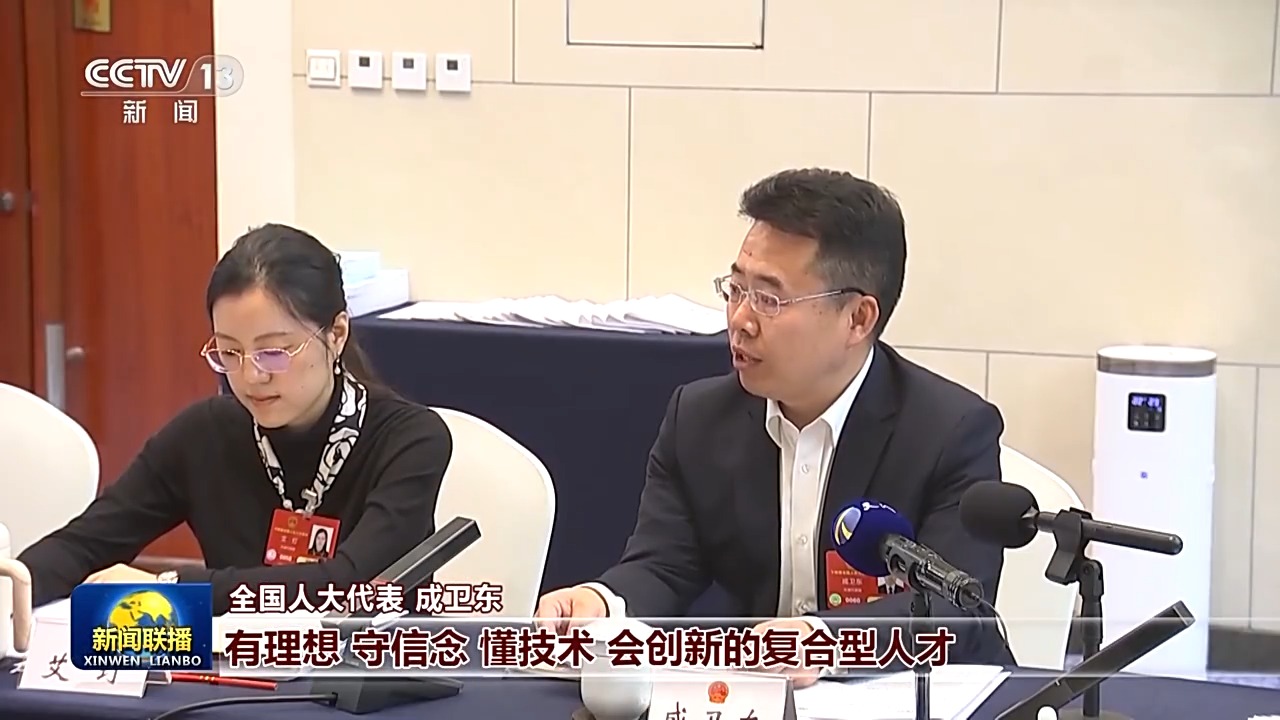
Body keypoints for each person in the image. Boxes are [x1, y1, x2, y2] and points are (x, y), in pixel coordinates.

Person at [534, 168, 1012, 685]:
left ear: (857, 319)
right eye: (736, 289)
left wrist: (825, 642)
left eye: (769, 298)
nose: (740, 320)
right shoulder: (698, 418)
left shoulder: (950, 432)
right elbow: (664, 565)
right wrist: (604, 604)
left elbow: (955, 608)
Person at [18, 223, 452, 614]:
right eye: (229, 352)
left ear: (336, 334)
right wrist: (12, 587)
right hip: (231, 668)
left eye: (274, 351)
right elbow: (84, 545)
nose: (250, 376)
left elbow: (350, 582)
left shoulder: (410, 440)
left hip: (371, 669)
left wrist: (171, 588)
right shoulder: (203, 435)